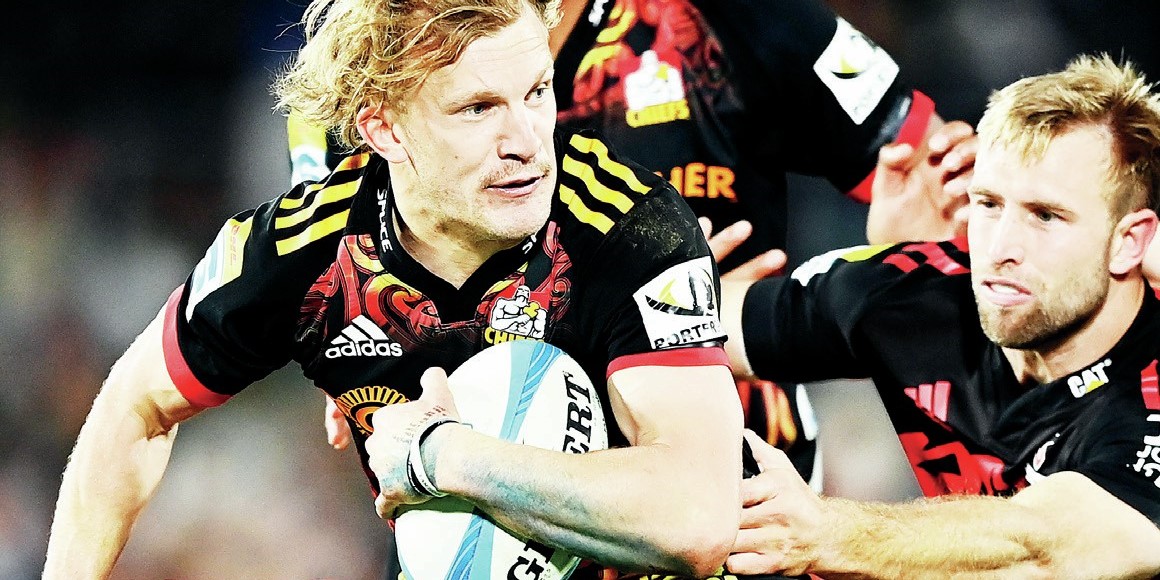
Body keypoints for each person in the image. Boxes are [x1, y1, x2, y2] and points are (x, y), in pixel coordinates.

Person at [43, 0, 748, 577]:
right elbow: (132, 406)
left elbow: (696, 520)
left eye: (536, 92)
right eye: (477, 109)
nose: (528, 141)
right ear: (384, 129)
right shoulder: (305, 249)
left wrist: (441, 457)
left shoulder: (627, 224)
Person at [304, 0, 979, 486]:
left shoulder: (718, 18)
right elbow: (352, 320)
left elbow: (944, 210)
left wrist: (894, 266)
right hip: (481, 508)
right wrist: (664, 301)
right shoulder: (370, 53)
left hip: (736, 491)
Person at [719, 54, 1160, 578]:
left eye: (1046, 216)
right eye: (989, 204)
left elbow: (1049, 548)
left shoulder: (1148, 398)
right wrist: (658, 269)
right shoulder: (911, 294)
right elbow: (686, 328)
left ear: (1130, 241)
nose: (1001, 248)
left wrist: (826, 533)